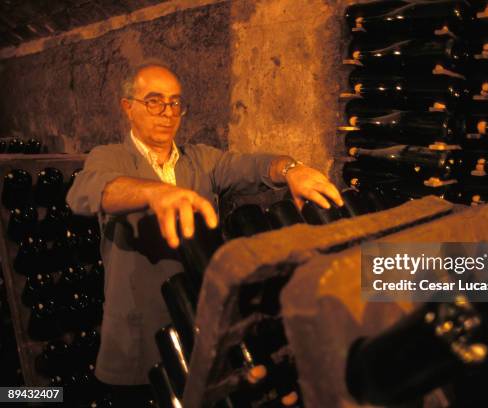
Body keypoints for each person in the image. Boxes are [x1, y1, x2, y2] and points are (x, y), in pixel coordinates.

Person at [66, 62, 343, 404]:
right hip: (138, 339)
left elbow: (251, 165)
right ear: (128, 107)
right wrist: (154, 192)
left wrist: (291, 169)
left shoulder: (202, 160)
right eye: (154, 101)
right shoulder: (108, 157)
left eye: (174, 102)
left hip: (199, 333)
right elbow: (87, 192)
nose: (167, 112)